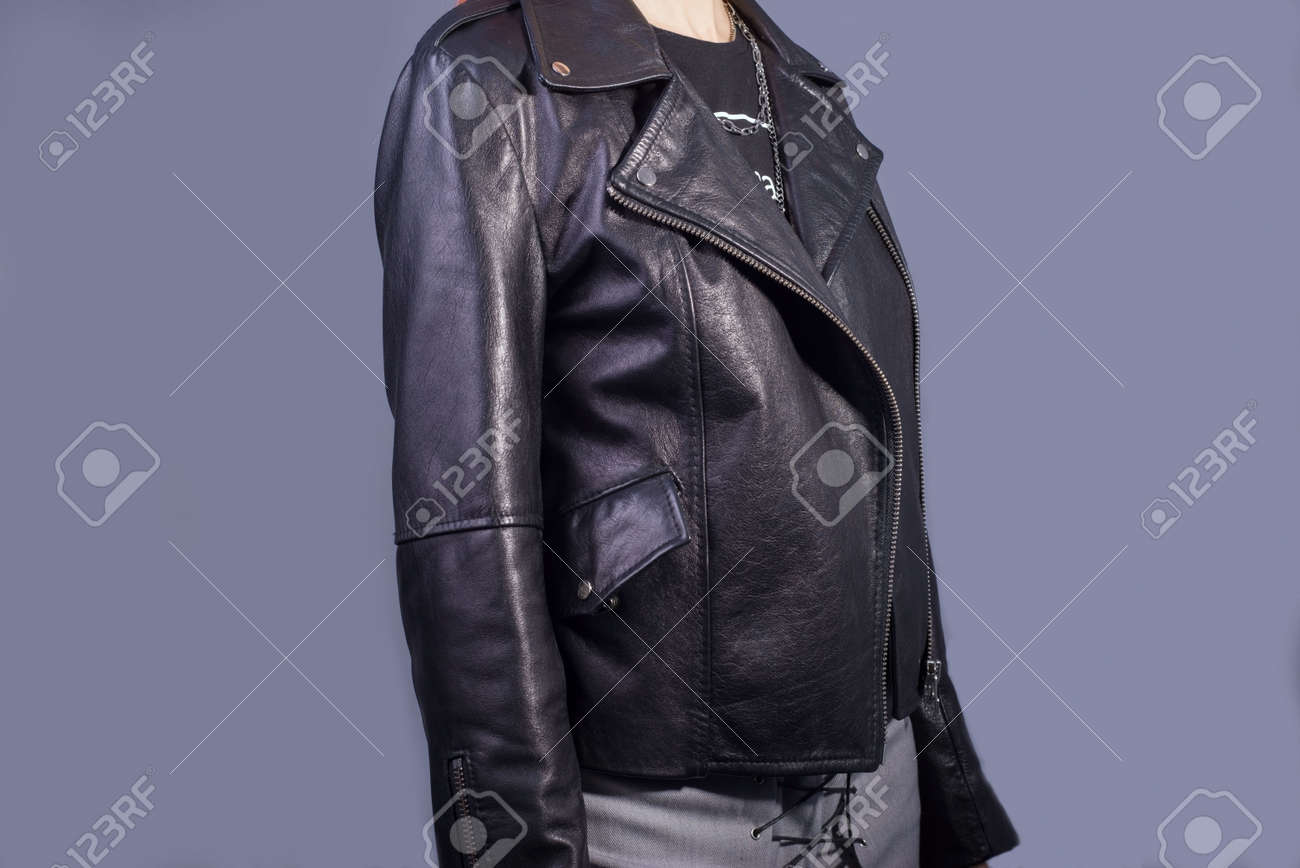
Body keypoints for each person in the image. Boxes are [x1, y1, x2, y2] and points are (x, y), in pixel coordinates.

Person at [375, 0, 1018, 864]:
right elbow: (466, 522)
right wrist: (517, 839)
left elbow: (872, 443)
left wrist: (928, 742)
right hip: (661, 808)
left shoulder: (801, 83)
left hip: (881, 784)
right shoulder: (492, 80)